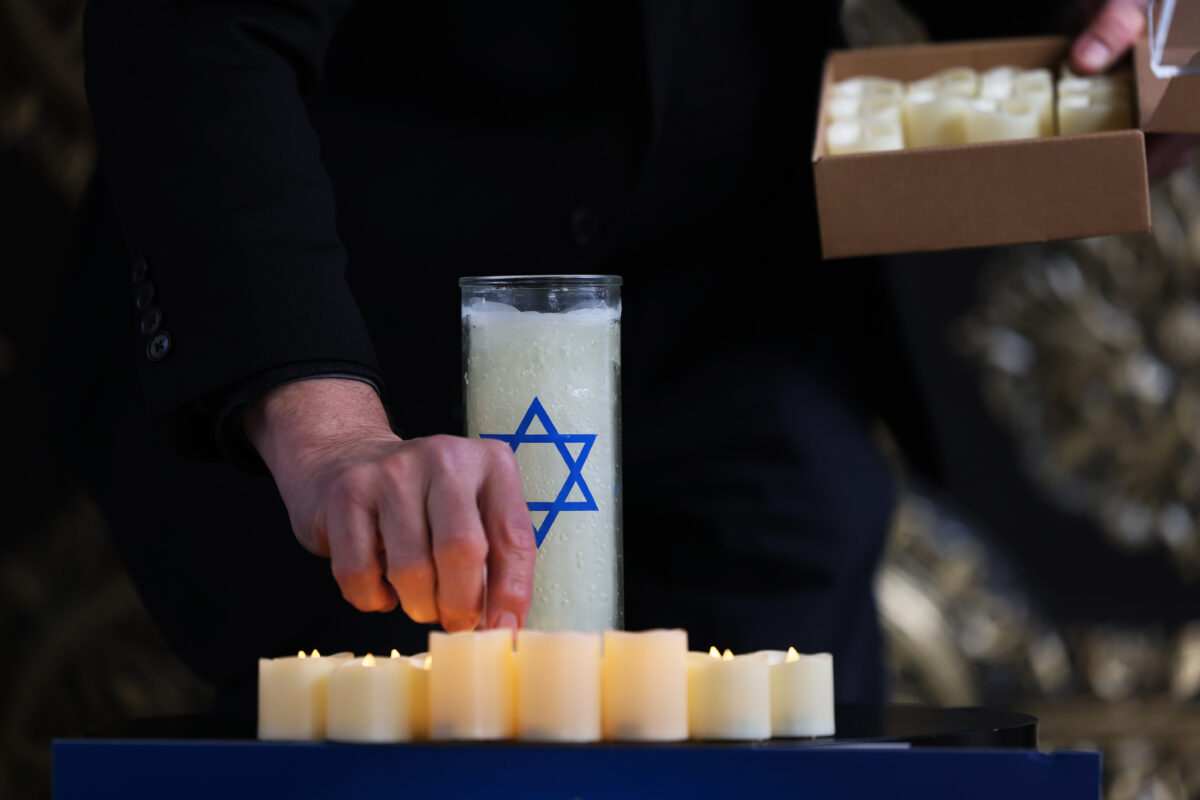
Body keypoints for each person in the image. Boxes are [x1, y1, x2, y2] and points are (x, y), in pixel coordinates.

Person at [56, 0, 1173, 712]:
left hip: (732, 316)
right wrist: (330, 426)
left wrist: (1108, 30)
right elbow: (197, 29)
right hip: (366, 339)